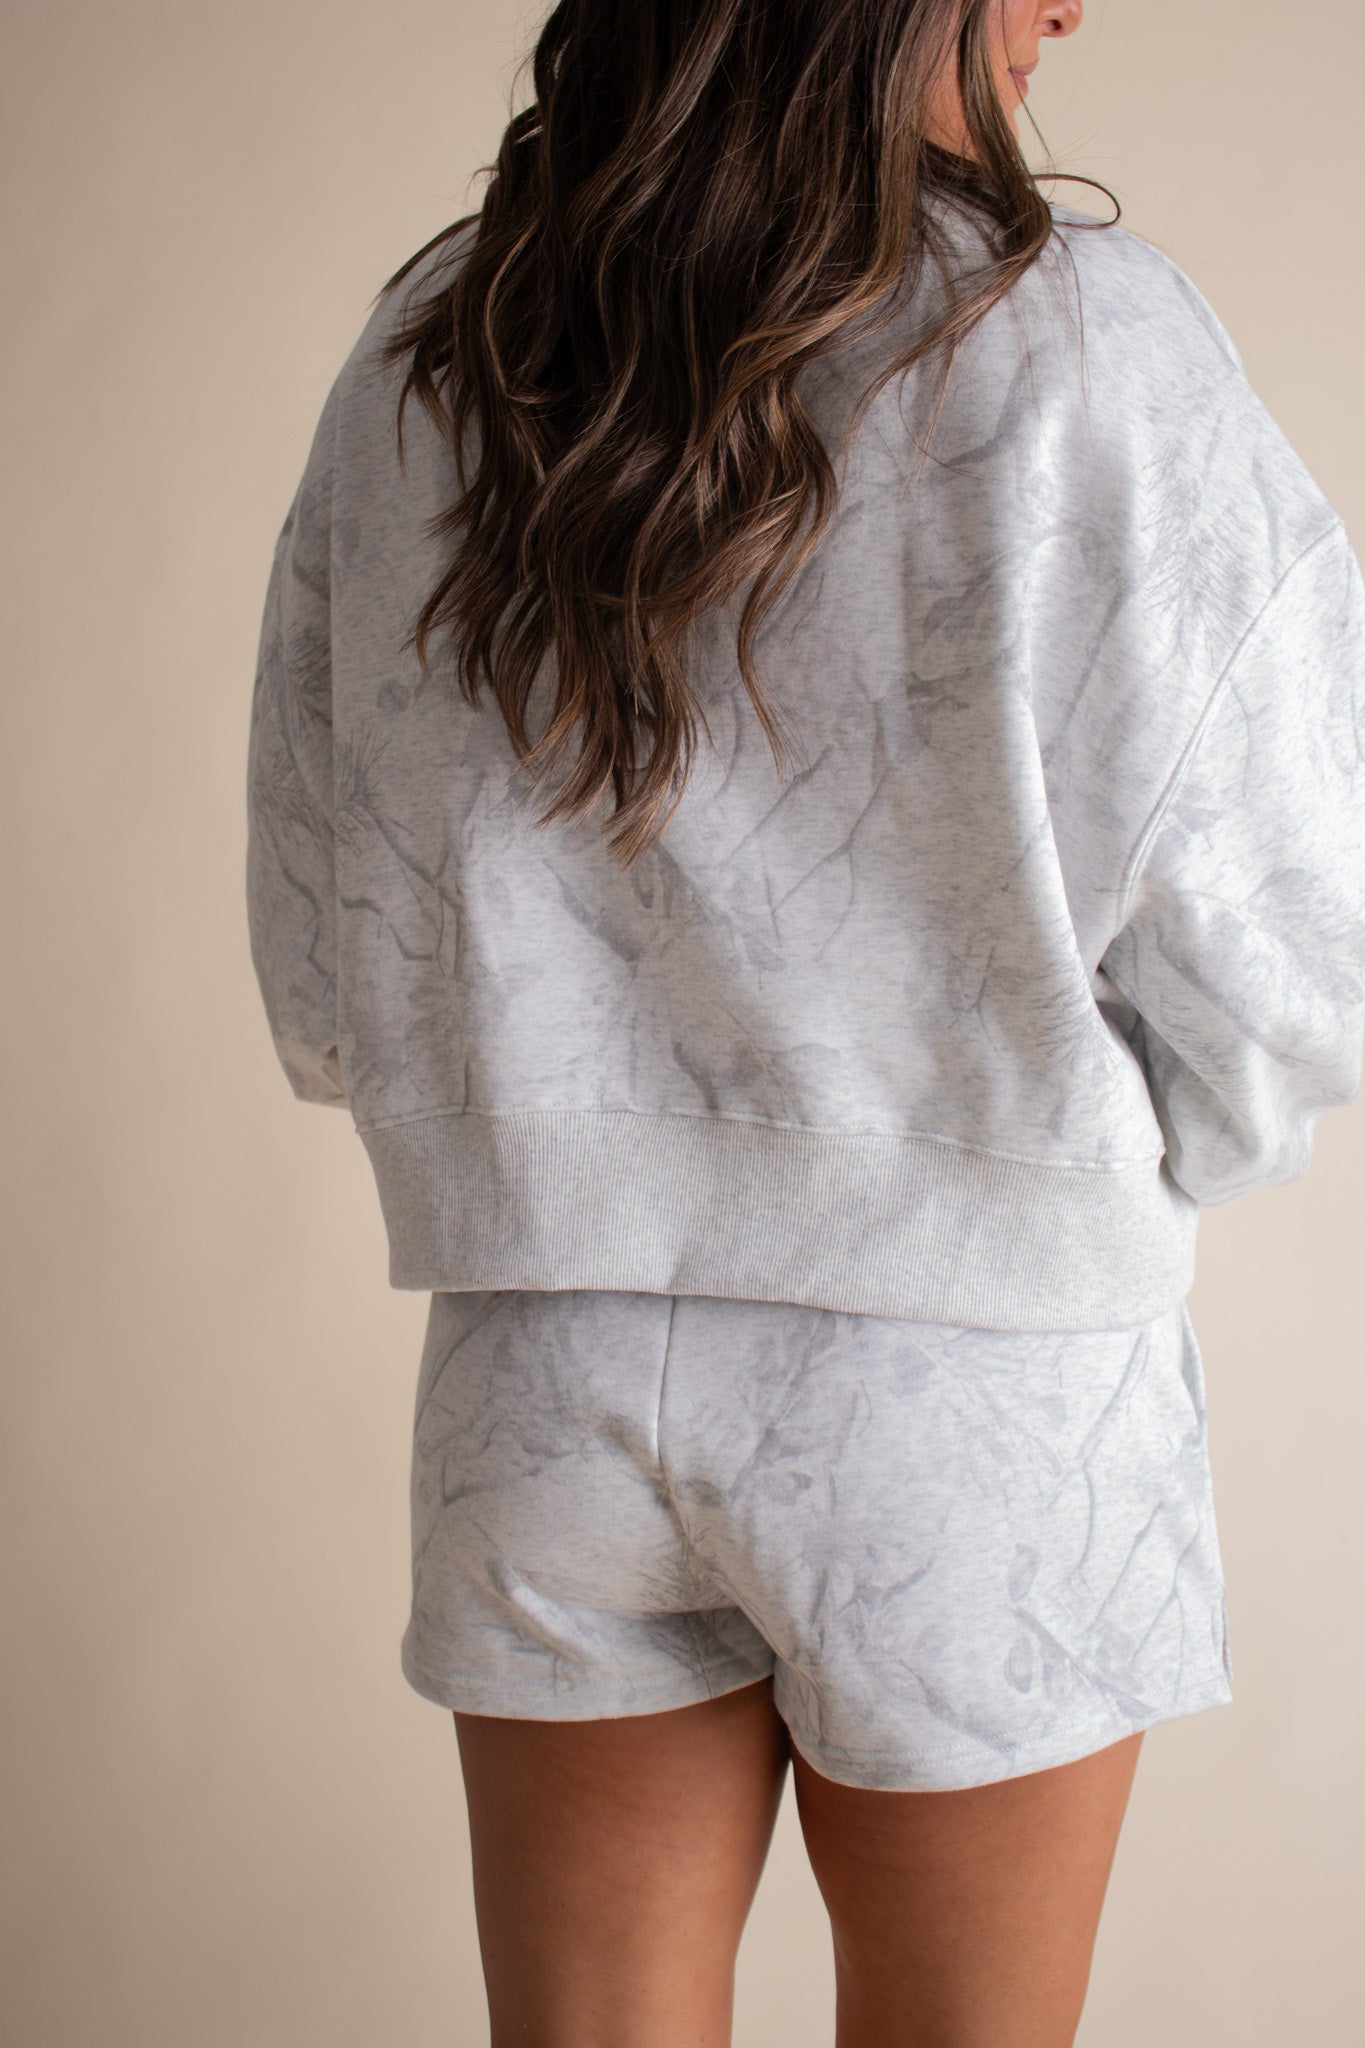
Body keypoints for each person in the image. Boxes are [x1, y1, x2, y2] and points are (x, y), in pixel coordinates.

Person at [244, 0, 1365, 2040]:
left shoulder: (445, 341)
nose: (1068, 3)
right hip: (972, 1391)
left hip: (541, 1367)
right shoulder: (1086, 343)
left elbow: (325, 928)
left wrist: (531, 1133)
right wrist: (1089, 1163)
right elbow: (1294, 939)